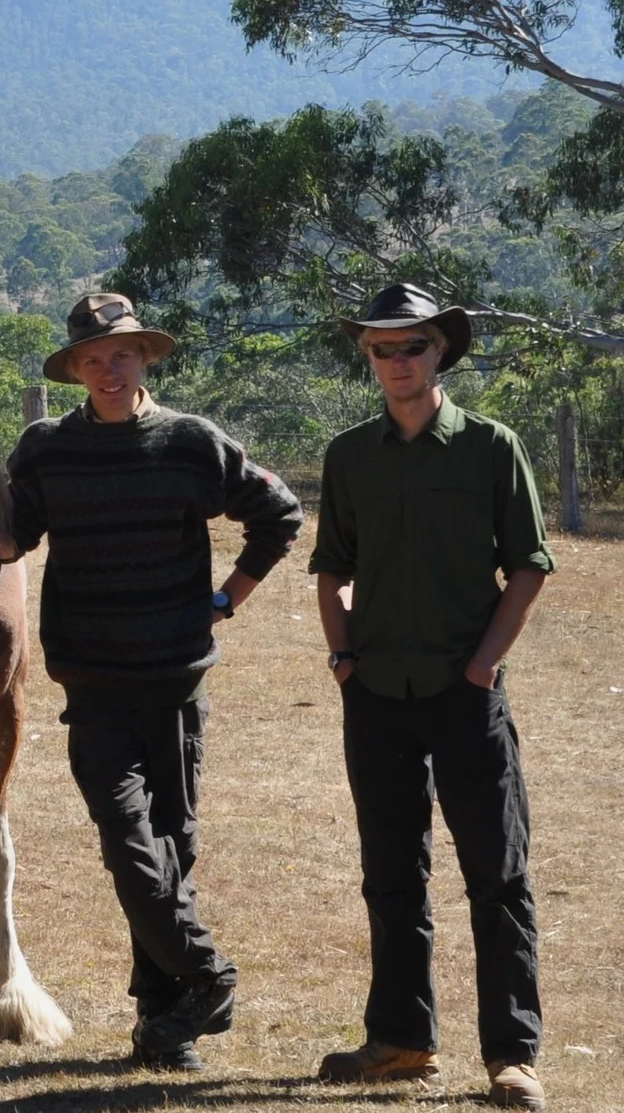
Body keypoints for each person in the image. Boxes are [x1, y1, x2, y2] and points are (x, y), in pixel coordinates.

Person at [4, 292, 302, 1071]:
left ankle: (162, 1023)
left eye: (122, 354)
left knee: (173, 850)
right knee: (131, 847)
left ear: (146, 358)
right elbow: (9, 536)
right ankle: (209, 974)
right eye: (92, 359)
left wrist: (226, 597)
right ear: (74, 370)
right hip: (95, 686)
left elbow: (279, 513)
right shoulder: (43, 450)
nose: (108, 369)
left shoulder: (191, 442)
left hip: (175, 682)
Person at [308, 283, 552, 1112]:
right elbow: (330, 568)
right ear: (367, 356)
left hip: (464, 692)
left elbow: (528, 564)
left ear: (441, 349)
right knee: (390, 873)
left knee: (498, 874)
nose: (398, 360)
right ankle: (402, 1040)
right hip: (376, 692)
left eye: (412, 345)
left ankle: (511, 1056)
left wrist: (485, 664)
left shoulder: (491, 446)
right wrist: (342, 657)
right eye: (382, 347)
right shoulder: (349, 455)